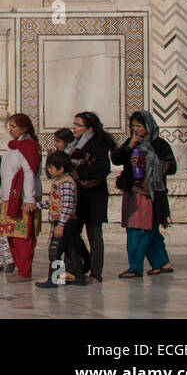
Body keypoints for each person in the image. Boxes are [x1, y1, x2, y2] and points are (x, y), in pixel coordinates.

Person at [112, 109, 176, 278]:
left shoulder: (160, 145)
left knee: (139, 230)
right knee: (149, 231)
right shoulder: (132, 142)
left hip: (150, 194)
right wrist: (130, 146)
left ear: (148, 126)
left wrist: (147, 162)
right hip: (133, 191)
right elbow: (116, 159)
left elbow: (172, 167)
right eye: (134, 126)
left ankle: (135, 267)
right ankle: (162, 263)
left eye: (139, 126)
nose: (137, 129)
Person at [68, 111, 114, 282]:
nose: (74, 128)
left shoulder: (98, 144)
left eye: (78, 125)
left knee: (94, 234)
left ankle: (96, 273)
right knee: (72, 232)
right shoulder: (75, 143)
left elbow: (103, 168)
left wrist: (78, 174)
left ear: (89, 128)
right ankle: (75, 268)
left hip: (94, 196)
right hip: (79, 195)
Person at [0, 112, 43, 281]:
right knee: (11, 234)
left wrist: (30, 199)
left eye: (14, 126)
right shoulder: (13, 147)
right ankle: (19, 267)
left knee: (23, 236)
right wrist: (1, 194)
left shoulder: (28, 147)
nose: (10, 129)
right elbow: (6, 174)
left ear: (24, 128)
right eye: (9, 126)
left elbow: (29, 173)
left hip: (23, 199)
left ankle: (25, 271)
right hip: (10, 197)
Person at [37, 150, 85, 288]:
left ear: (61, 169)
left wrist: (61, 224)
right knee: (73, 250)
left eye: (51, 168)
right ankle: (79, 278)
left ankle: (53, 280)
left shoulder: (66, 183)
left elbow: (68, 206)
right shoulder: (59, 182)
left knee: (55, 251)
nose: (49, 171)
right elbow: (54, 203)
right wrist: (37, 206)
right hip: (66, 222)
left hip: (65, 222)